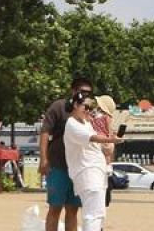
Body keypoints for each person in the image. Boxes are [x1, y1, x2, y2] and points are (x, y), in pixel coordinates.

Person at [62, 91, 123, 231]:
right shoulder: (72, 124)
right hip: (87, 173)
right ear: (76, 105)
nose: (90, 111)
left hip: (97, 172)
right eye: (86, 107)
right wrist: (111, 139)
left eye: (91, 108)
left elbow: (102, 145)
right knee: (92, 215)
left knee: (99, 214)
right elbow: (92, 138)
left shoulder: (85, 122)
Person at [41, 76, 93, 231]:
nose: (85, 96)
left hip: (77, 168)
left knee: (73, 210)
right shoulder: (59, 107)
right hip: (58, 165)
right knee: (55, 208)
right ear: (73, 91)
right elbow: (45, 132)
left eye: (89, 93)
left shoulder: (88, 112)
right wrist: (43, 159)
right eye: (82, 92)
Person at [92, 95, 118, 208]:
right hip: (104, 145)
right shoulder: (108, 118)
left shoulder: (93, 117)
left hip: (96, 144)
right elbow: (110, 133)